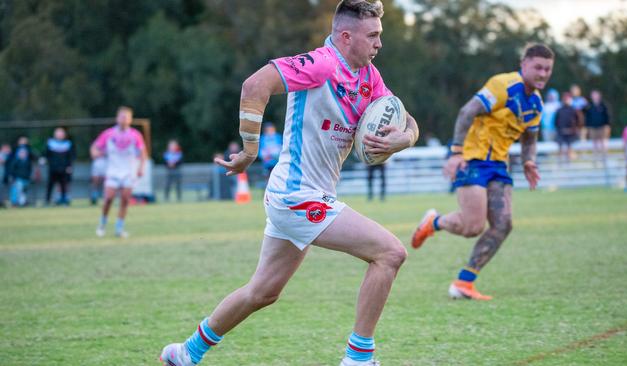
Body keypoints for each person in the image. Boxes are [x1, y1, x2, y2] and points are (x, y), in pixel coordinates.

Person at [160, 2, 419, 365]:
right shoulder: (321, 64)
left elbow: (408, 120)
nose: (379, 44)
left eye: (380, 35)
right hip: (296, 195)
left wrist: (402, 139)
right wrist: (250, 149)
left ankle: (186, 353)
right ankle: (358, 359)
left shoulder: (369, 77)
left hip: (304, 196)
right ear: (346, 37)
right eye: (373, 36)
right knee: (390, 253)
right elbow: (255, 85)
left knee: (262, 292)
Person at [410, 43, 554, 300]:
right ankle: (433, 222)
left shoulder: (536, 104)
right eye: (538, 67)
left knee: (503, 224)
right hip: (472, 160)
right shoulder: (504, 85)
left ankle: (464, 282)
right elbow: (467, 112)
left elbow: (530, 139)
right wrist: (456, 152)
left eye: (547, 69)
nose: (543, 74)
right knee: (472, 226)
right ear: (524, 65)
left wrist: (529, 161)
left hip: (499, 166)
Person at [91, 106, 147, 238]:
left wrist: (141, 168)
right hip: (112, 172)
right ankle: (102, 224)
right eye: (122, 116)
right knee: (108, 199)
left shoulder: (135, 135)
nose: (124, 119)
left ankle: (119, 228)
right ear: (117, 118)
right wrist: (96, 154)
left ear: (130, 119)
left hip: (128, 172)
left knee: (125, 200)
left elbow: (143, 153)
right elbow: (95, 148)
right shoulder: (108, 134)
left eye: (127, 117)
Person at [44, 127, 76, 205]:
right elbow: (46, 154)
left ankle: (63, 200)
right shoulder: (50, 143)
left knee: (64, 185)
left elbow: (71, 156)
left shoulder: (68, 144)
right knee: (50, 184)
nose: (59, 135)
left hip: (64, 168)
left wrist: (69, 166)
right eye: (58, 133)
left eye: (61, 133)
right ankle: (47, 200)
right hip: (53, 168)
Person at [7, 137, 36, 207]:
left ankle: (22, 202)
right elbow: (11, 169)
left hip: (26, 178)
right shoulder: (15, 160)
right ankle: (16, 203)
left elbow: (34, 158)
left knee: (23, 191)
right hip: (18, 178)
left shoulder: (28, 159)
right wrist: (12, 176)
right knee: (18, 190)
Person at [584, 89, 610, 163]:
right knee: (594, 143)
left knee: (603, 142)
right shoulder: (589, 106)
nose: (594, 96)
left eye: (596, 94)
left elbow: (607, 116)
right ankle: (596, 159)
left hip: (602, 127)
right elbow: (587, 116)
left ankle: (604, 158)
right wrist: (588, 126)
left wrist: (607, 125)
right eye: (593, 95)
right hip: (593, 127)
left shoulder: (603, 105)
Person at [555, 92, 580, 163]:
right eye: (565, 99)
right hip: (561, 133)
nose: (566, 100)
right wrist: (560, 130)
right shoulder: (559, 110)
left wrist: (573, 130)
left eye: (568, 99)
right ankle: (560, 163)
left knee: (570, 148)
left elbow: (578, 121)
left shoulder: (574, 110)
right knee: (560, 147)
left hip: (571, 133)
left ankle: (569, 163)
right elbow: (556, 122)